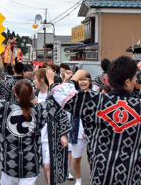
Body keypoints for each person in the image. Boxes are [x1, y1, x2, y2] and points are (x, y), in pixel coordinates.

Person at [48, 56, 141, 185]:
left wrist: (75, 77)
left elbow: (58, 92)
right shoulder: (138, 106)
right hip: (132, 178)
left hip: (100, 178)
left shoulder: (95, 102)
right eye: (134, 78)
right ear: (127, 82)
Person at [0, 71, 68, 185]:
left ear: (15, 94)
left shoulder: (5, 109)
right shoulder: (38, 110)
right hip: (31, 162)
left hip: (9, 162)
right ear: (32, 93)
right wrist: (51, 81)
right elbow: (54, 102)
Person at [33, 68, 71, 185]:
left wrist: (63, 134)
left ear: (41, 79)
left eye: (35, 79)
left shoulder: (53, 93)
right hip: (40, 134)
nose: (33, 81)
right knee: (44, 166)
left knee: (49, 166)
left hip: (53, 133)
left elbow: (62, 113)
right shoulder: (36, 94)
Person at [68, 73, 91, 185]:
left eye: (85, 80)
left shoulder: (96, 96)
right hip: (76, 130)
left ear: (90, 81)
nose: (82, 82)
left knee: (93, 158)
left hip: (91, 132)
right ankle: (78, 180)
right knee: (76, 158)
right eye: (80, 80)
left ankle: (94, 178)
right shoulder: (74, 95)